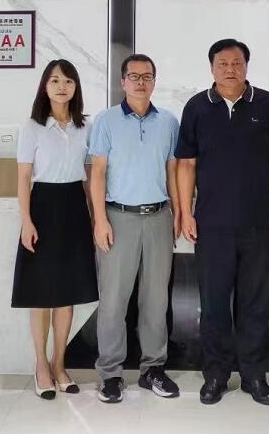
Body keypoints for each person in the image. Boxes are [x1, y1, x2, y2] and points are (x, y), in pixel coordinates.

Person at [175, 39, 269, 406]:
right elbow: (186, 164)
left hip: (258, 223)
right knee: (213, 303)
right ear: (212, 68)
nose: (230, 69)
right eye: (222, 63)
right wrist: (186, 211)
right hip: (211, 225)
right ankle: (216, 375)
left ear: (246, 66)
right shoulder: (197, 107)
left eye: (236, 62)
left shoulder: (267, 104)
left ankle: (254, 375)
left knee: (255, 303)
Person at [89, 54, 181, 404]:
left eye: (147, 76)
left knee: (156, 300)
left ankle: (152, 369)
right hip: (118, 218)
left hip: (158, 217)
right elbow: (98, 172)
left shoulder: (168, 122)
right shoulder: (106, 120)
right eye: (134, 76)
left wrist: (178, 213)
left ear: (154, 81)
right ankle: (110, 374)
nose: (141, 82)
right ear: (123, 82)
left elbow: (172, 171)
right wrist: (100, 219)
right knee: (114, 301)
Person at [11, 59, 98, 400]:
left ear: (76, 87)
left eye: (68, 81)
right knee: (42, 294)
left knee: (67, 294)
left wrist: (95, 217)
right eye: (55, 81)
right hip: (43, 207)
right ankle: (41, 366)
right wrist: (26, 220)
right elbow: (23, 177)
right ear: (44, 87)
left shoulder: (86, 127)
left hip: (74, 207)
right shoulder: (32, 127)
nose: (62, 87)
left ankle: (59, 364)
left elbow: (89, 177)